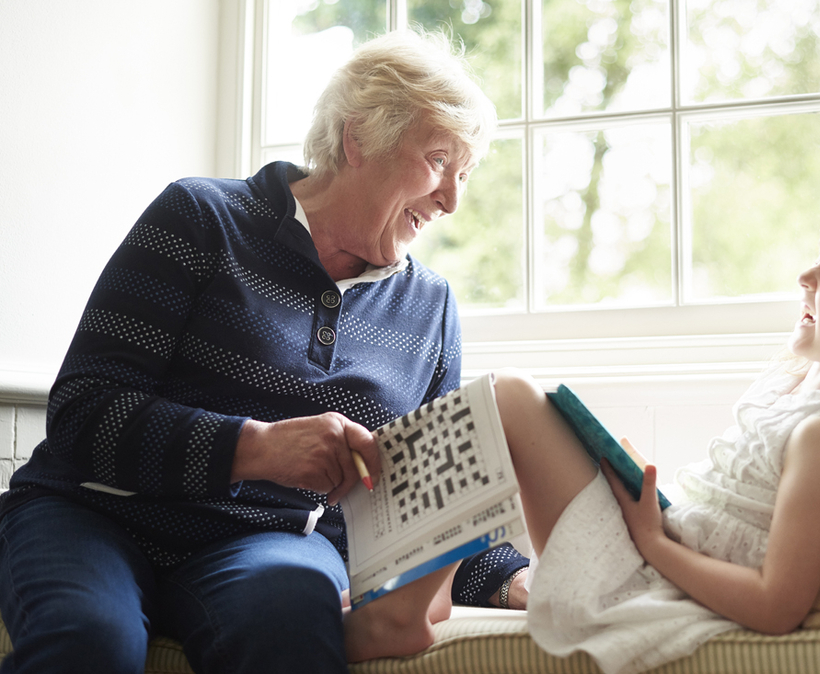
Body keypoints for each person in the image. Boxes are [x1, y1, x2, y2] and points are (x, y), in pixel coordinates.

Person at [0, 28, 529, 674]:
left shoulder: (430, 309)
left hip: (271, 543)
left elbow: (423, 502)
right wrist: (257, 448)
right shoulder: (200, 217)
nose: (452, 200)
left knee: (288, 621)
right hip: (94, 514)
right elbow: (84, 412)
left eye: (465, 176)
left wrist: (508, 577)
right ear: (358, 138)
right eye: (441, 162)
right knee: (91, 641)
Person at [344, 198, 820, 672]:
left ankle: (399, 613)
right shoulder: (798, 379)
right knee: (513, 400)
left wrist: (654, 540)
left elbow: (778, 604)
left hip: (643, 579)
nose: (806, 274)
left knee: (509, 398)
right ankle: (424, 592)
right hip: (650, 550)